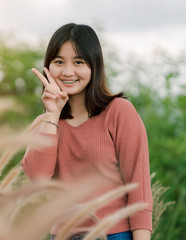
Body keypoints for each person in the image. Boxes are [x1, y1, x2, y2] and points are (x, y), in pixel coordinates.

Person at [21, 23, 152, 240]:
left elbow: (139, 188)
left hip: (114, 234)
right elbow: (38, 180)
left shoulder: (119, 112)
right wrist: (52, 115)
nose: (68, 71)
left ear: (94, 66)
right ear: (48, 66)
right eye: (59, 62)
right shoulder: (44, 124)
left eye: (79, 62)